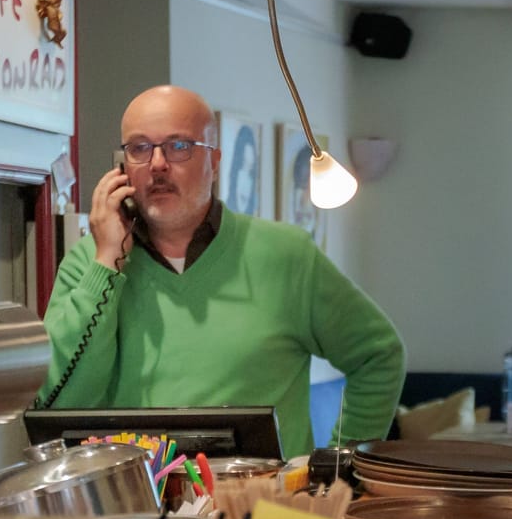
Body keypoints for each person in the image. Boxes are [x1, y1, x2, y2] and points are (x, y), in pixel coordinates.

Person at [41, 85, 404, 457]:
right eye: (139, 148)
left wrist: (341, 468)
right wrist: (107, 263)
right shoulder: (88, 265)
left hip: (265, 509)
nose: (157, 164)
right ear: (121, 167)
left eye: (179, 146)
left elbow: (379, 356)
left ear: (214, 162)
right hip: (134, 508)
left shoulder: (286, 255)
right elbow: (58, 404)